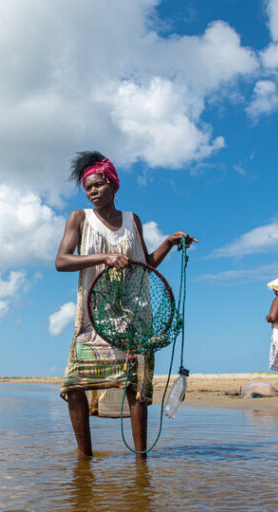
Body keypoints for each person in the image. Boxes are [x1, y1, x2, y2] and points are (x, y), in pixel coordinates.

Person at [55, 150, 196, 458]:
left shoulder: (133, 221)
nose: (92, 191)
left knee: (136, 390)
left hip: (135, 318)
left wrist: (169, 244)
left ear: (114, 185)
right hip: (94, 319)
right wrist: (104, 257)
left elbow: (145, 264)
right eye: (87, 187)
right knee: (75, 385)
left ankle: (141, 459)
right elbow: (61, 261)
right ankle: (85, 458)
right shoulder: (79, 218)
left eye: (98, 185)